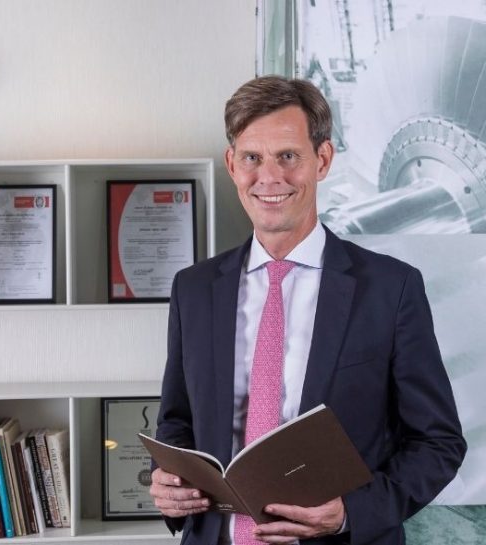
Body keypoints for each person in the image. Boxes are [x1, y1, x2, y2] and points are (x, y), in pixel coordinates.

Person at [150, 76, 466, 545]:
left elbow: (438, 443)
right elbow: (176, 422)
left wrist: (350, 513)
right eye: (252, 158)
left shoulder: (391, 288)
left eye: (288, 156)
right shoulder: (194, 290)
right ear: (232, 164)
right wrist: (169, 482)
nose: (269, 177)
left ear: (323, 160)